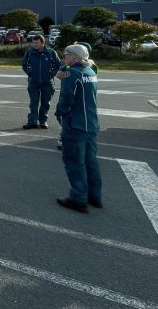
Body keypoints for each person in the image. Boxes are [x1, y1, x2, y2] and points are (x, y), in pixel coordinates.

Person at [54, 44, 101, 213]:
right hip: (91, 123)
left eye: (66, 55)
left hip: (75, 124)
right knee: (91, 161)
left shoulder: (72, 75)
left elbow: (66, 100)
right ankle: (94, 196)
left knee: (74, 161)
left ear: (73, 57)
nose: (64, 58)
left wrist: (59, 113)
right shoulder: (91, 72)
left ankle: (78, 198)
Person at [21, 35, 60, 129]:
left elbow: (58, 65)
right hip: (33, 82)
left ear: (43, 43)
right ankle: (32, 121)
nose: (35, 45)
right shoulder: (30, 52)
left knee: (45, 103)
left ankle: (43, 121)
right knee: (33, 102)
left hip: (47, 82)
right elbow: (24, 64)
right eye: (33, 43)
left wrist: (51, 74)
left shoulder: (51, 52)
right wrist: (30, 73)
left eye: (37, 43)